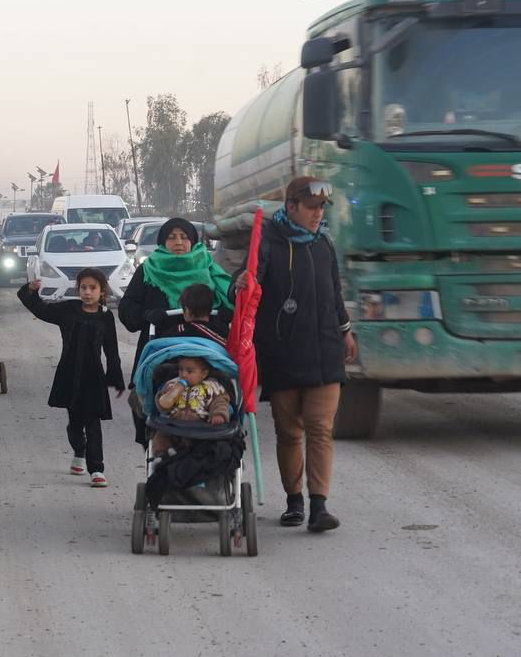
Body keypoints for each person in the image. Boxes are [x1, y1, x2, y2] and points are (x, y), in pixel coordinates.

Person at [244, 177, 356, 533]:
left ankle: (319, 507)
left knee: (320, 430)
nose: (317, 214)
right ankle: (294, 502)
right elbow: (247, 286)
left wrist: (345, 330)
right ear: (291, 206)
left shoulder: (323, 243)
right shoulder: (267, 243)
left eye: (321, 208)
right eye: (311, 207)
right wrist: (239, 285)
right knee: (289, 432)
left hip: (325, 351)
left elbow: (334, 293)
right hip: (283, 353)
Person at [118, 217, 233, 444]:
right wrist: (146, 315)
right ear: (163, 242)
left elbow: (230, 301)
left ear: (193, 241)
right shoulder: (148, 270)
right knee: (144, 402)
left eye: (184, 237)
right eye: (171, 237)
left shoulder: (208, 267)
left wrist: (224, 314)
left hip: (206, 352)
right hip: (162, 351)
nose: (178, 242)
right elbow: (127, 308)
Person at [18, 268, 126, 488]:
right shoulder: (68, 310)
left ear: (102, 291)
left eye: (92, 288)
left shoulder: (106, 316)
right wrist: (30, 291)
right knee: (75, 424)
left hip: (94, 377)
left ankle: (96, 469)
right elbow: (40, 310)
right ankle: (79, 450)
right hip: (69, 375)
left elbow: (111, 350)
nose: (87, 292)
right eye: (83, 287)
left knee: (93, 423)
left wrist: (115, 376)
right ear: (78, 289)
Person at [151, 355, 231, 455]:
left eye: (189, 371)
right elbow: (162, 406)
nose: (183, 374)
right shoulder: (172, 384)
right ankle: (161, 455)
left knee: (212, 444)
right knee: (160, 437)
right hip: (174, 425)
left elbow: (220, 402)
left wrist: (218, 414)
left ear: (204, 374)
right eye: (181, 369)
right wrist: (167, 395)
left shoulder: (210, 387)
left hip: (201, 428)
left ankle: (202, 457)